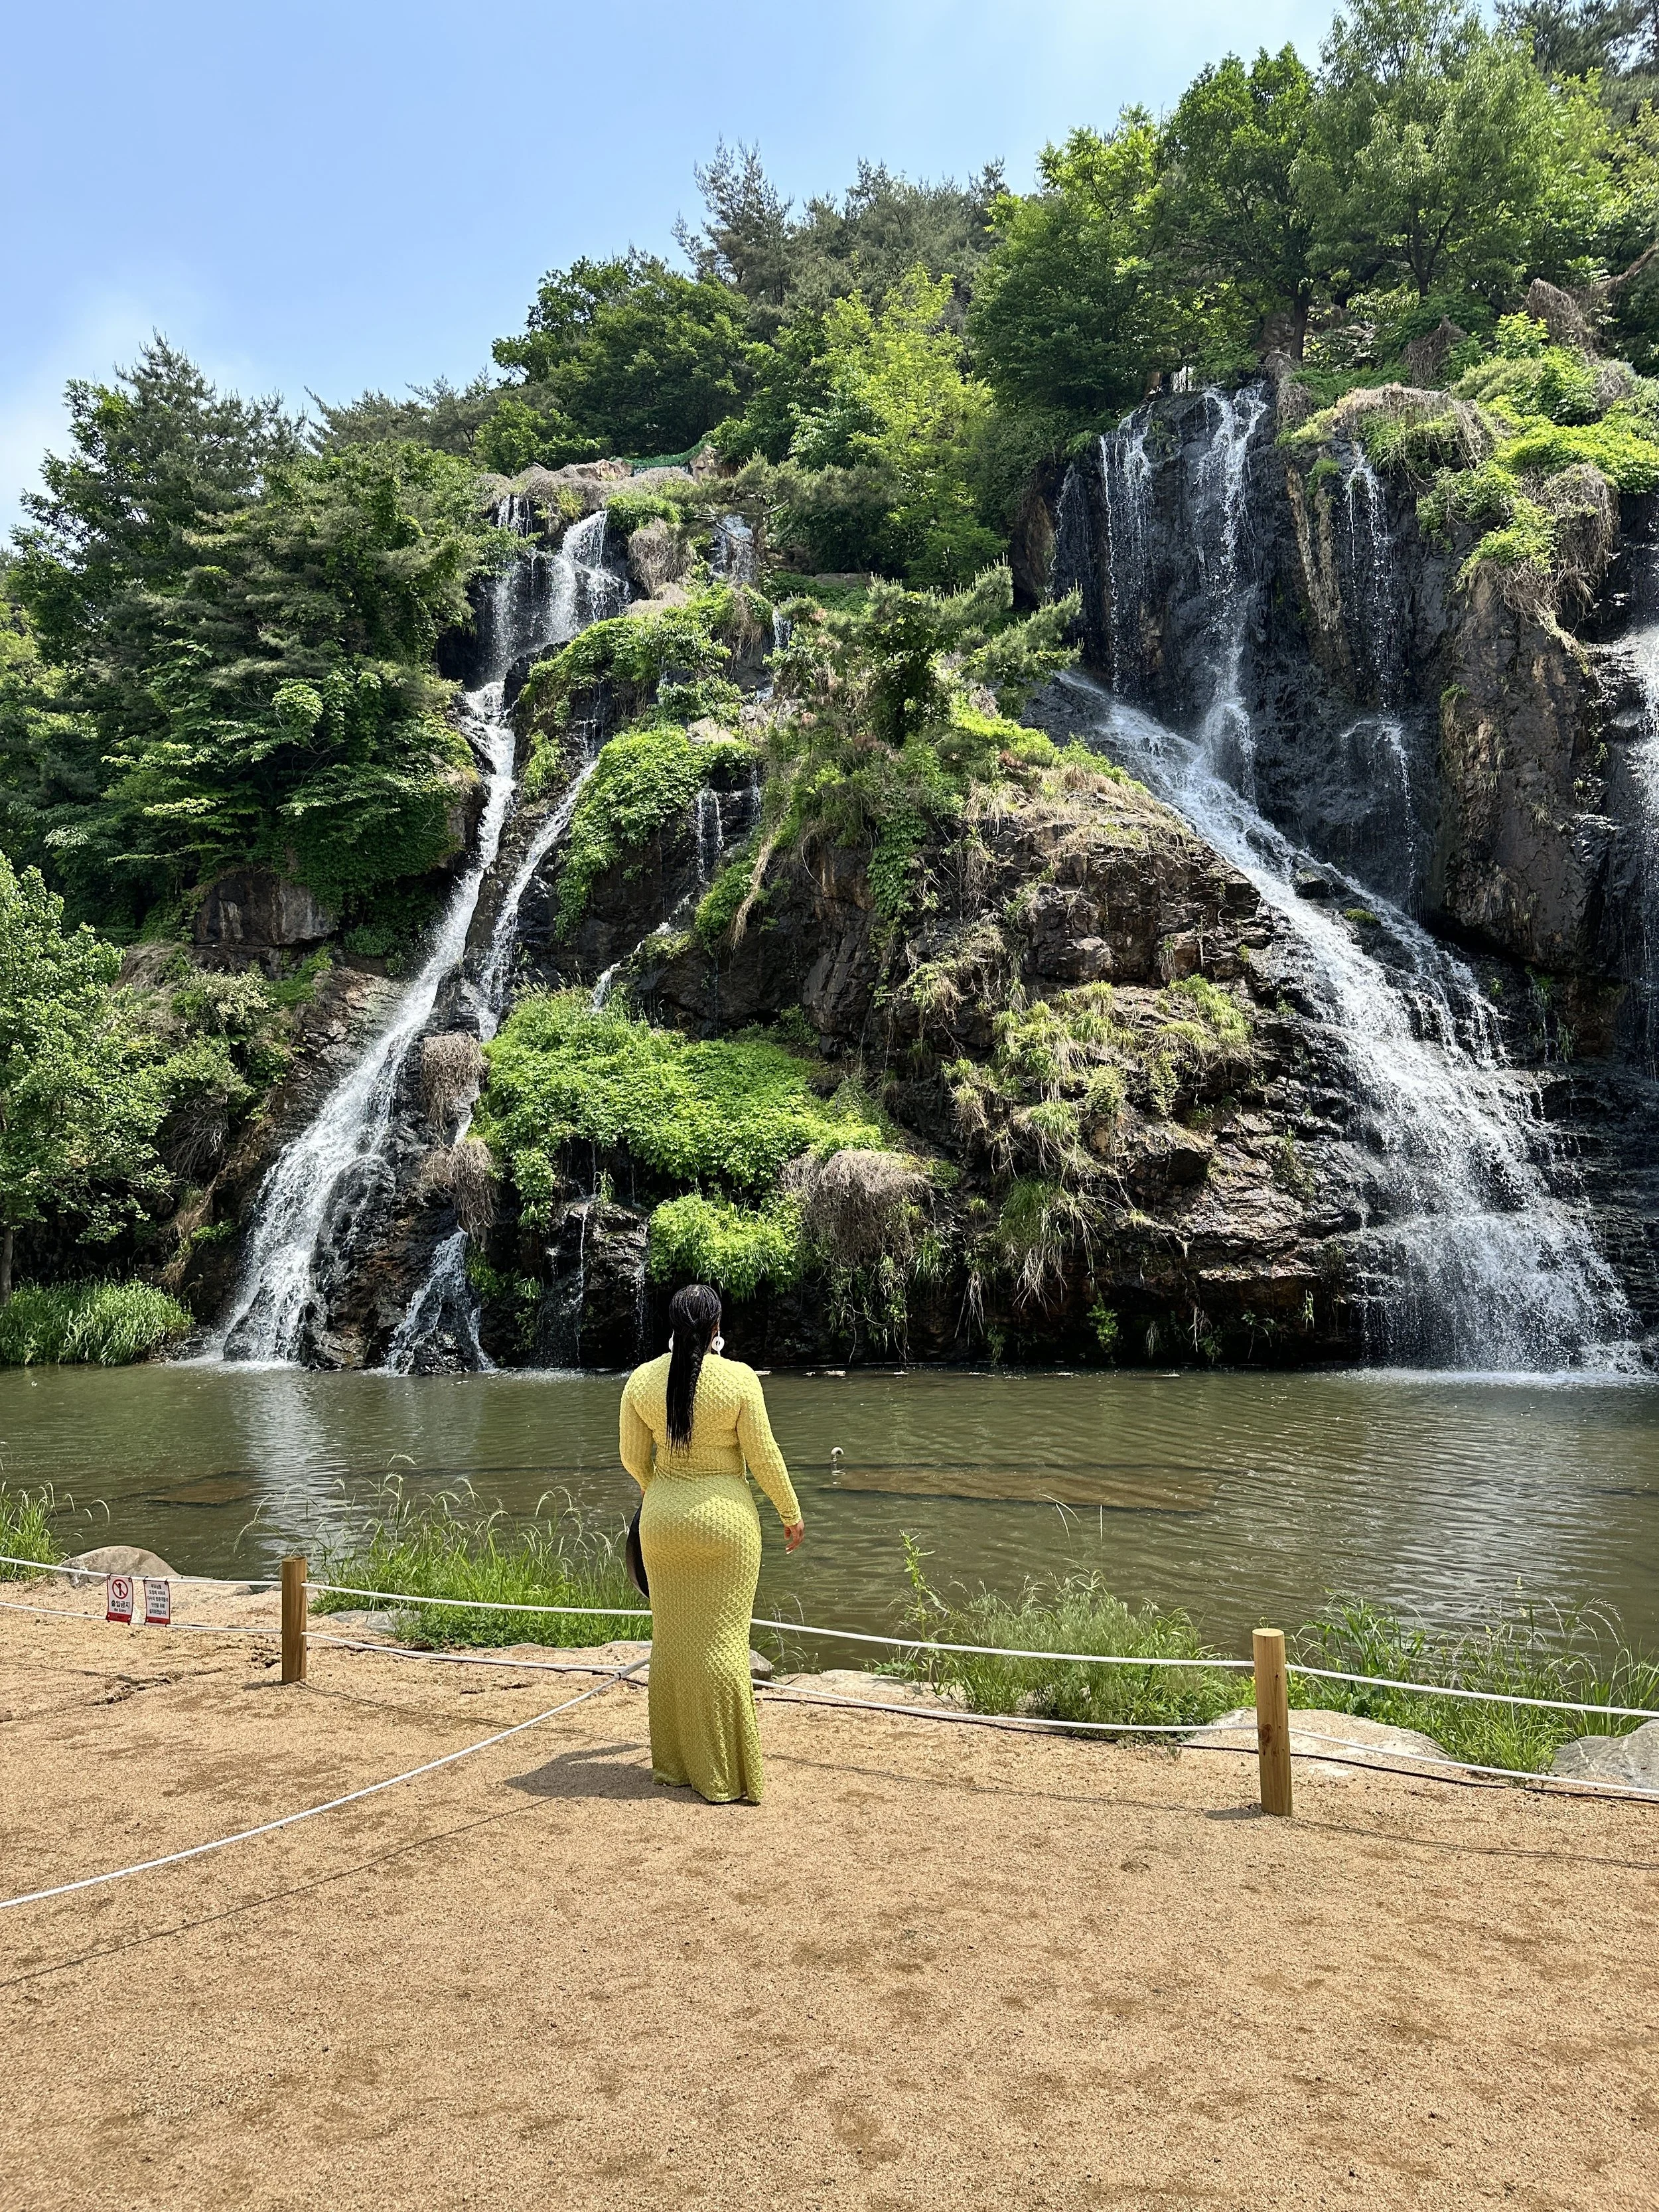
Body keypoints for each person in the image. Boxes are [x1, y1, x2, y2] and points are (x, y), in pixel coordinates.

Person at [618, 1283, 804, 1805]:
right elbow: (764, 1456)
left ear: (673, 1327)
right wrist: (790, 1513)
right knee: (723, 1644)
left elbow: (633, 1459)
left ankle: (676, 1765)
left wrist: (664, 1494)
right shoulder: (739, 1380)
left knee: (672, 1641)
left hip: (662, 1521)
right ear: (717, 1326)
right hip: (727, 1525)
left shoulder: (642, 1382)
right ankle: (723, 1773)